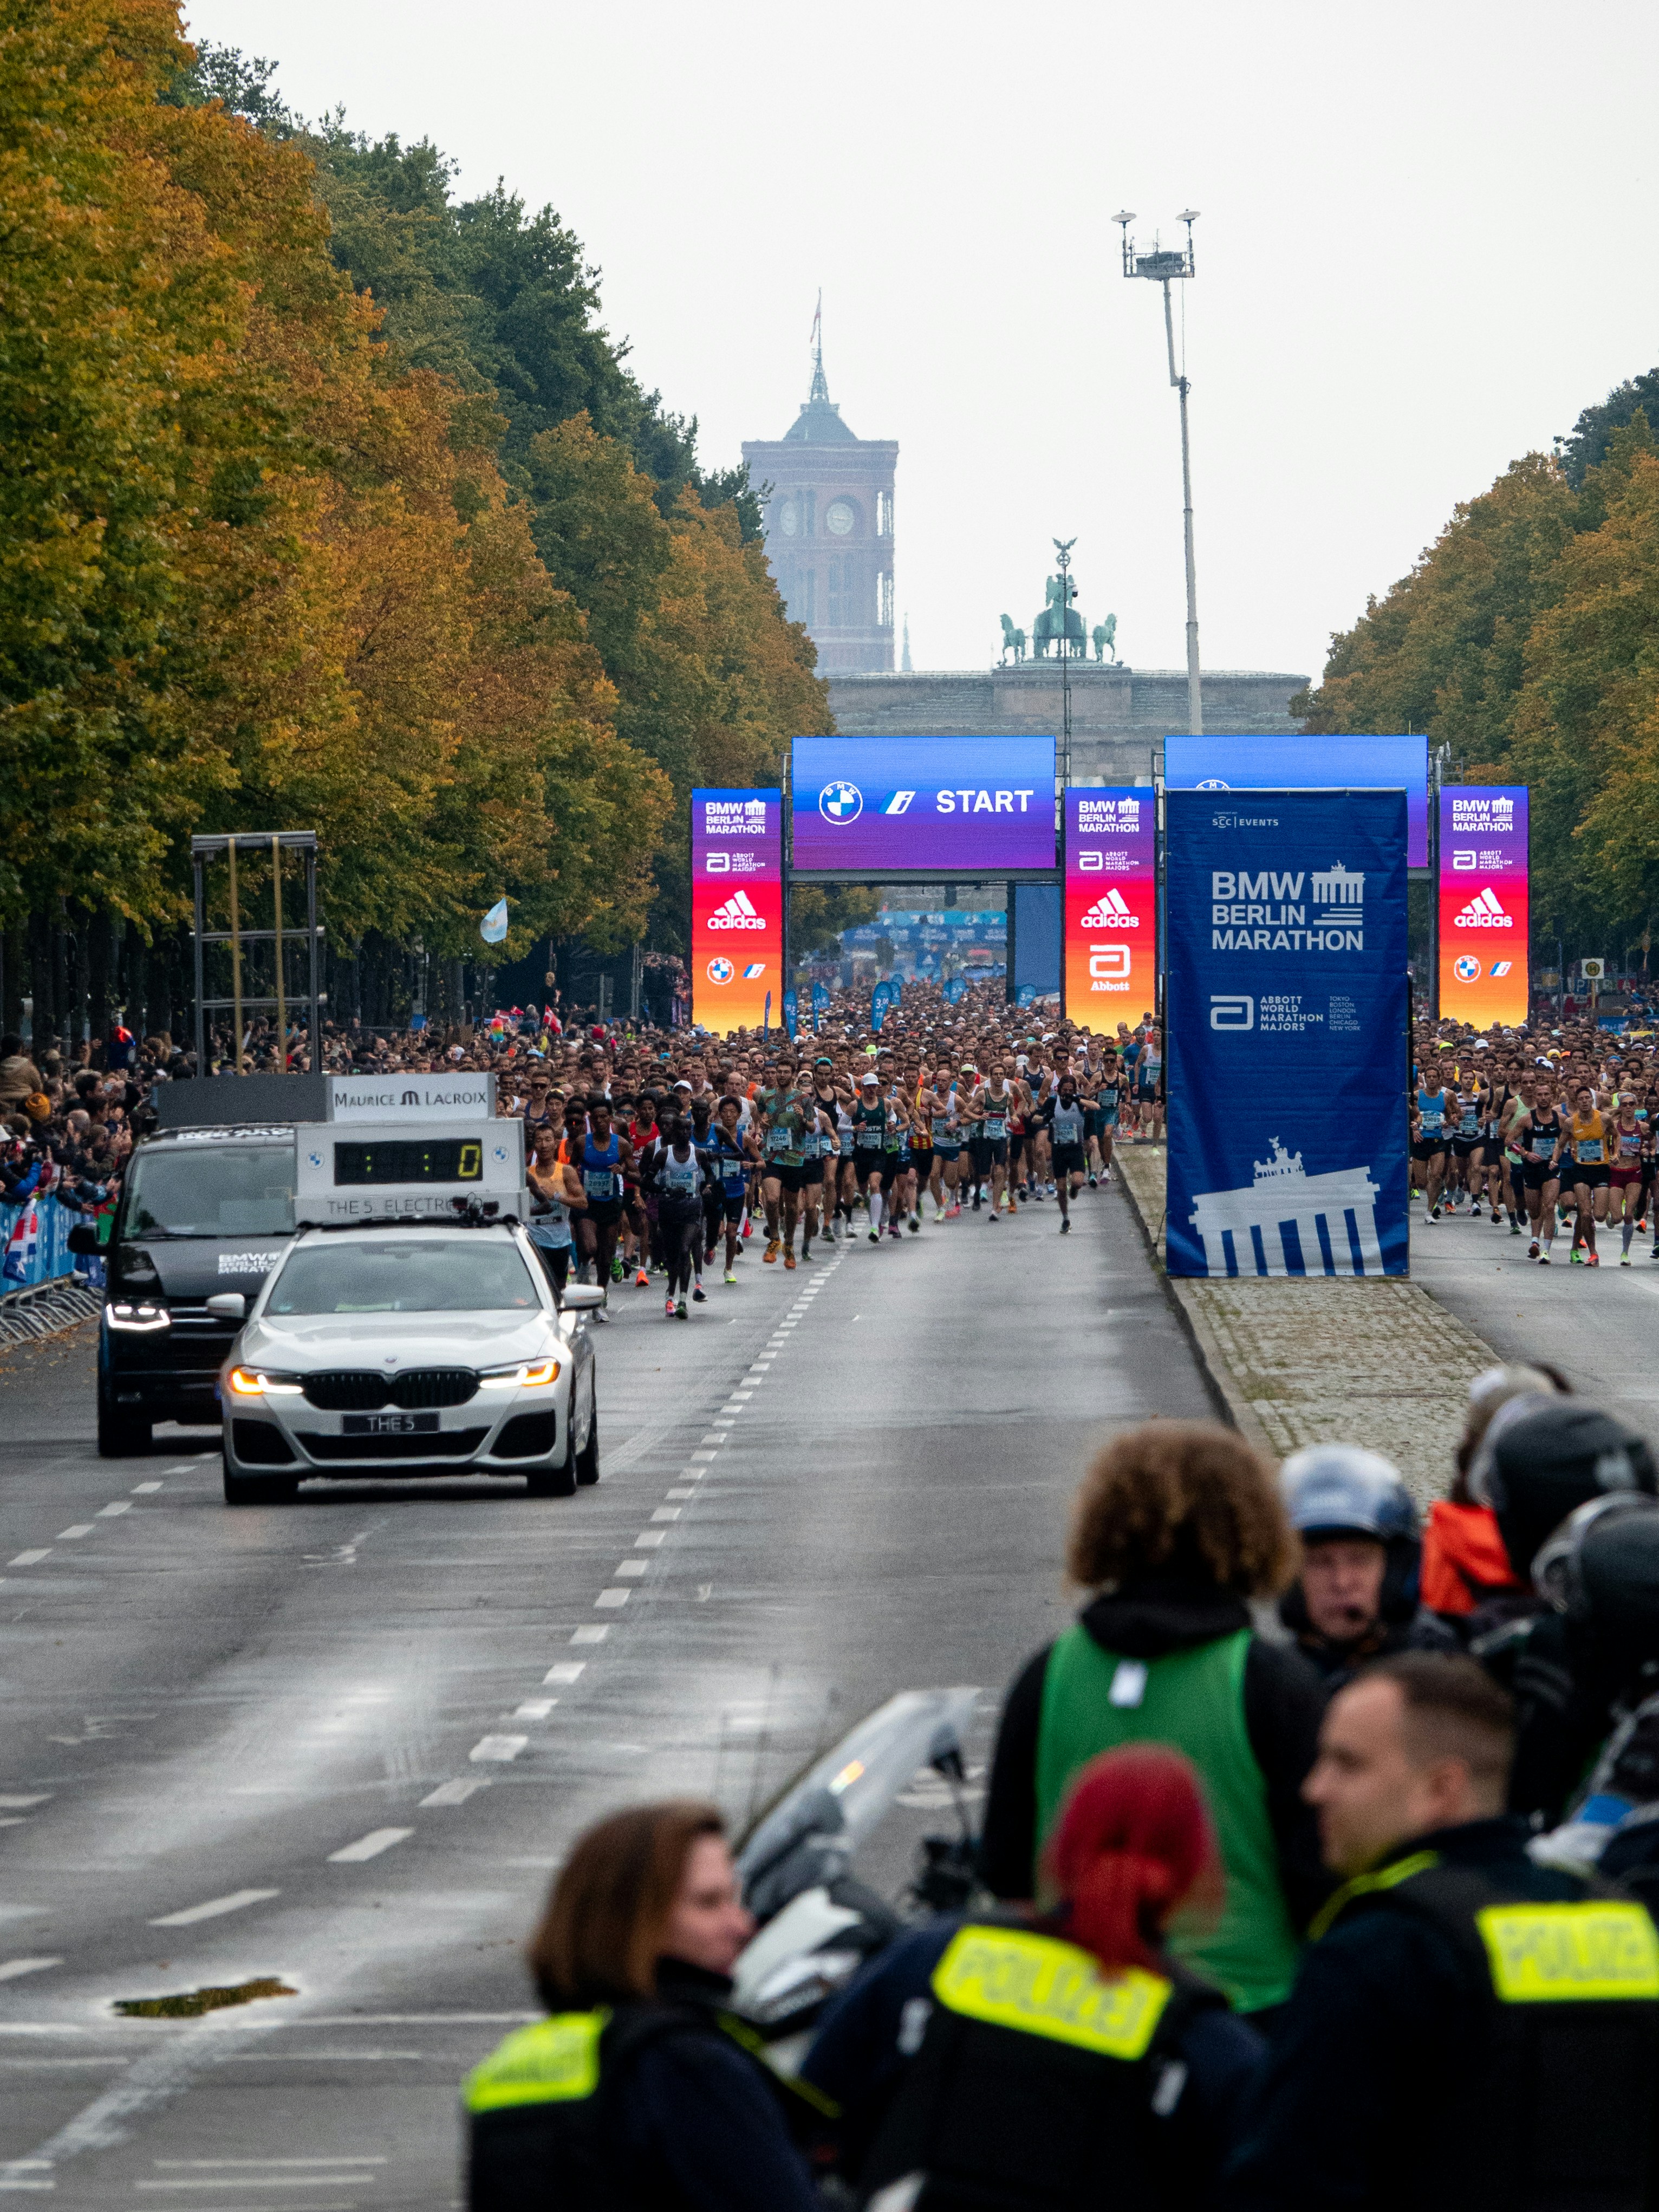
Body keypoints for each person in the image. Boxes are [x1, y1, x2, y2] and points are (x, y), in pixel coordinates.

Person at [1220, 1653, 1659, 2212]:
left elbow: (1285, 2185)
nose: (1314, 1788)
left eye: (1347, 1764)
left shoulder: (1383, 1949)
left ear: (1440, 1789)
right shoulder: (1626, 1926)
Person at [803, 1746, 1265, 2211]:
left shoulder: (931, 1960)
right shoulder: (1207, 2048)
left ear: (1061, 1847)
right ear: (1194, 1870)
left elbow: (809, 2107)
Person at [979, 1420, 1330, 2017]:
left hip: (1080, 2007)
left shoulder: (1048, 1675)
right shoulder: (1271, 1683)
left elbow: (1005, 1866)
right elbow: (1317, 1869)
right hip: (1244, 2006)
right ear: (1251, 1531)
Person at [465, 1800, 824, 2210]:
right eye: (709, 1903)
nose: (741, 1925)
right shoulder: (689, 2064)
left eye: (735, 1899)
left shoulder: (508, 2069)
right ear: (631, 1923)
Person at [1277, 1444, 1442, 1685]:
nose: (1341, 1582)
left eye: (1360, 1560)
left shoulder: (1445, 1675)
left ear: (1395, 1569)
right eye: (1319, 1562)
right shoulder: (1259, 1684)